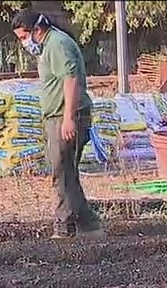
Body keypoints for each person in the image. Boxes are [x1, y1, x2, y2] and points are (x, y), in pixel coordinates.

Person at [11, 10, 104, 239]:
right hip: (55, 117)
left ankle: (64, 227)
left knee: (61, 172)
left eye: (24, 37)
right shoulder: (47, 46)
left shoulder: (57, 44)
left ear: (37, 30)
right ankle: (89, 226)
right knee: (67, 172)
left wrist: (68, 118)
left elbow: (70, 80)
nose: (24, 43)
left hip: (66, 117)